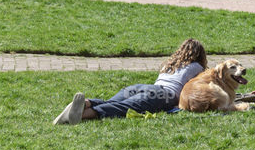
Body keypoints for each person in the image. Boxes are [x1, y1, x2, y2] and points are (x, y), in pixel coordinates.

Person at [54, 39, 207, 124]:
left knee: (110, 102)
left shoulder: (171, 63)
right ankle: (79, 116)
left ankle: (85, 103)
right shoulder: (197, 66)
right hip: (163, 94)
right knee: (121, 108)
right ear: (200, 55)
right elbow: (205, 85)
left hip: (143, 87)